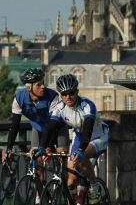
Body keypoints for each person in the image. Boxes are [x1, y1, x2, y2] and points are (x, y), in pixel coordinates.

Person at [38, 74, 109, 205]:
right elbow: (50, 128)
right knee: (70, 180)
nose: (68, 97)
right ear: (60, 95)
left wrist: (81, 150)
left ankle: (94, 186)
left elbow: (87, 132)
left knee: (81, 159)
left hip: (97, 137)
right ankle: (77, 200)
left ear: (76, 92)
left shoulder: (87, 106)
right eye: (64, 94)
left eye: (71, 93)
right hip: (79, 136)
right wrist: (43, 147)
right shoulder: (59, 107)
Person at [3, 68, 62, 164]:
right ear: (28, 88)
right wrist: (9, 148)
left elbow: (52, 125)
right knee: (36, 158)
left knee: (61, 155)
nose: (43, 87)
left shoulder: (53, 96)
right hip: (38, 127)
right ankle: (40, 179)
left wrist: (47, 146)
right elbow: (15, 125)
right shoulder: (19, 98)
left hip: (56, 127)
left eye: (43, 83)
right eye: (38, 84)